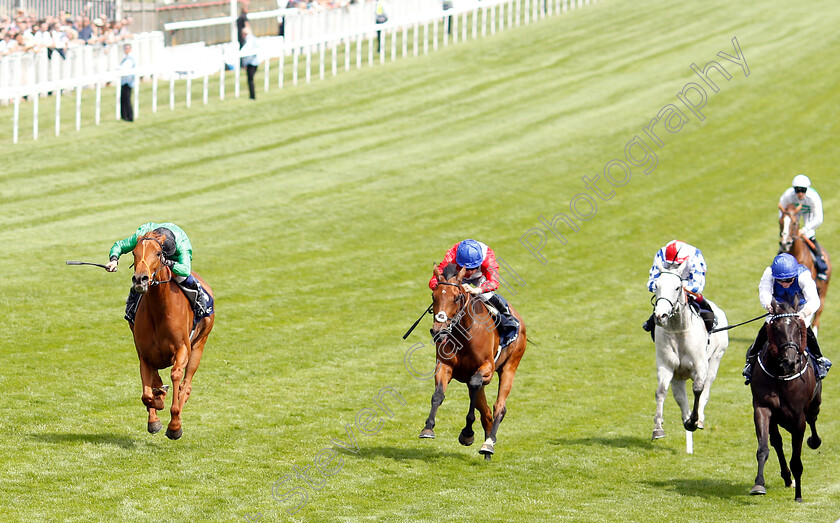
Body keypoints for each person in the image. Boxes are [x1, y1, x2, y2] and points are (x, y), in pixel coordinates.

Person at [743, 253, 831, 384]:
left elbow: (814, 300)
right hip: (778, 306)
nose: (784, 284)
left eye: (789, 280)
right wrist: (768, 305)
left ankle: (819, 359)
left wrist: (805, 313)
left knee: (804, 326)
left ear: (794, 275)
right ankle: (751, 361)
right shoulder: (769, 273)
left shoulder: (803, 276)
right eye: (780, 281)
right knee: (767, 326)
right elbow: (764, 292)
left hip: (800, 307)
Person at [106, 222, 210, 323]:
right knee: (139, 280)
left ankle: (200, 304)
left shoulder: (182, 243)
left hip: (172, 260)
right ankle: (131, 310)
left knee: (185, 279)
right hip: (152, 253)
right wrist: (114, 260)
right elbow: (120, 245)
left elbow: (185, 270)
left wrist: (168, 262)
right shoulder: (143, 235)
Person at [429, 239, 520, 349]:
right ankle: (442, 327)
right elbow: (433, 281)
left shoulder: (488, 257)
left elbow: (494, 282)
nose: (470, 272)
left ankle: (508, 320)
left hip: (480, 278)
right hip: (457, 278)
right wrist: (447, 290)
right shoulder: (451, 256)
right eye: (467, 269)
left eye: (474, 268)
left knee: (487, 295)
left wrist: (477, 290)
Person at [643, 240, 716, 340]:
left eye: (678, 264)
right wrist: (666, 285)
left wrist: (679, 286)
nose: (673, 266)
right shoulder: (661, 255)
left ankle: (709, 328)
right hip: (667, 289)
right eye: (669, 264)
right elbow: (651, 283)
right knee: (660, 307)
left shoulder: (695, 256)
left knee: (702, 304)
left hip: (688, 289)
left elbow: (698, 286)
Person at [779, 174, 827, 279]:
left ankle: (821, 266)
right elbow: (782, 212)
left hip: (809, 214)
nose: (800, 193)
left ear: (807, 190)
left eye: (803, 190)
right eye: (797, 190)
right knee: (785, 241)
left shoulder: (813, 197)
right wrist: (785, 228)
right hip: (793, 215)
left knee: (810, 235)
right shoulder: (787, 195)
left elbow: (819, 218)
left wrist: (804, 229)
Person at [240, 27, 259, 100]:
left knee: (250, 80)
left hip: (251, 63)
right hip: (253, 62)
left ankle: (252, 96)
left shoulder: (249, 39)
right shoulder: (252, 38)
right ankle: (252, 96)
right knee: (250, 80)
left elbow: (246, 49)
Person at [119, 43, 135, 122]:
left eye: (127, 48)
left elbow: (124, 68)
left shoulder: (130, 58)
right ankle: (124, 116)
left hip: (128, 82)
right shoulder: (126, 58)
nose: (126, 49)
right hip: (124, 81)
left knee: (127, 99)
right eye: (125, 48)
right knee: (123, 99)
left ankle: (129, 116)